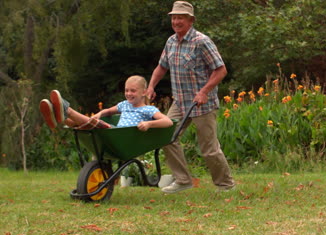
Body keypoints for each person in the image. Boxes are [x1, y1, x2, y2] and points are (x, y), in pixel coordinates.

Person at [147, 1, 235, 194]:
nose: (176, 21)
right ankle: (183, 180)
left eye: (180, 18)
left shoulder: (202, 41)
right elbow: (162, 67)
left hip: (202, 104)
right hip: (180, 102)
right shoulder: (170, 41)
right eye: (174, 17)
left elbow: (221, 71)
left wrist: (204, 91)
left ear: (191, 20)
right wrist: (151, 85)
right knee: (167, 137)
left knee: (209, 149)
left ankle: (225, 185)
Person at [39, 75, 173, 131]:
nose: (128, 94)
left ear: (144, 92)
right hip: (113, 135)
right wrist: (99, 113)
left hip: (121, 137)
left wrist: (149, 123)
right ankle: (60, 117)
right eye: (126, 90)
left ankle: (66, 109)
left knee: (95, 125)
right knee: (86, 125)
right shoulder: (124, 104)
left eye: (133, 91)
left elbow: (168, 122)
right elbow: (108, 111)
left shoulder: (148, 109)